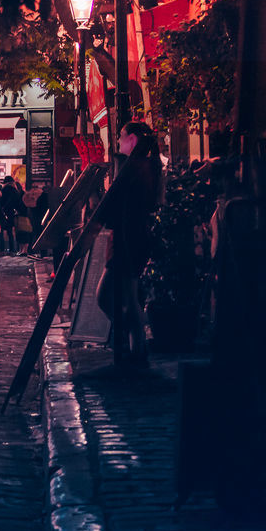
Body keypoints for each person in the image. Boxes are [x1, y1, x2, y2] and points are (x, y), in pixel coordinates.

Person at [97, 121, 162, 367]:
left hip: (127, 239)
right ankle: (137, 347)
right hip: (132, 238)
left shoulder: (134, 168)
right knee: (126, 296)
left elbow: (116, 206)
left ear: (132, 140)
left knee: (111, 296)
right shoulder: (146, 167)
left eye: (121, 136)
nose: (119, 141)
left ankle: (135, 346)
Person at [0, 175, 23, 255]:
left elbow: (2, 200)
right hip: (14, 212)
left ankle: (5, 249)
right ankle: (13, 249)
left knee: (6, 231)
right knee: (12, 232)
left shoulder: (5, 189)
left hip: (6, 212)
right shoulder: (15, 189)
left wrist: (3, 208)